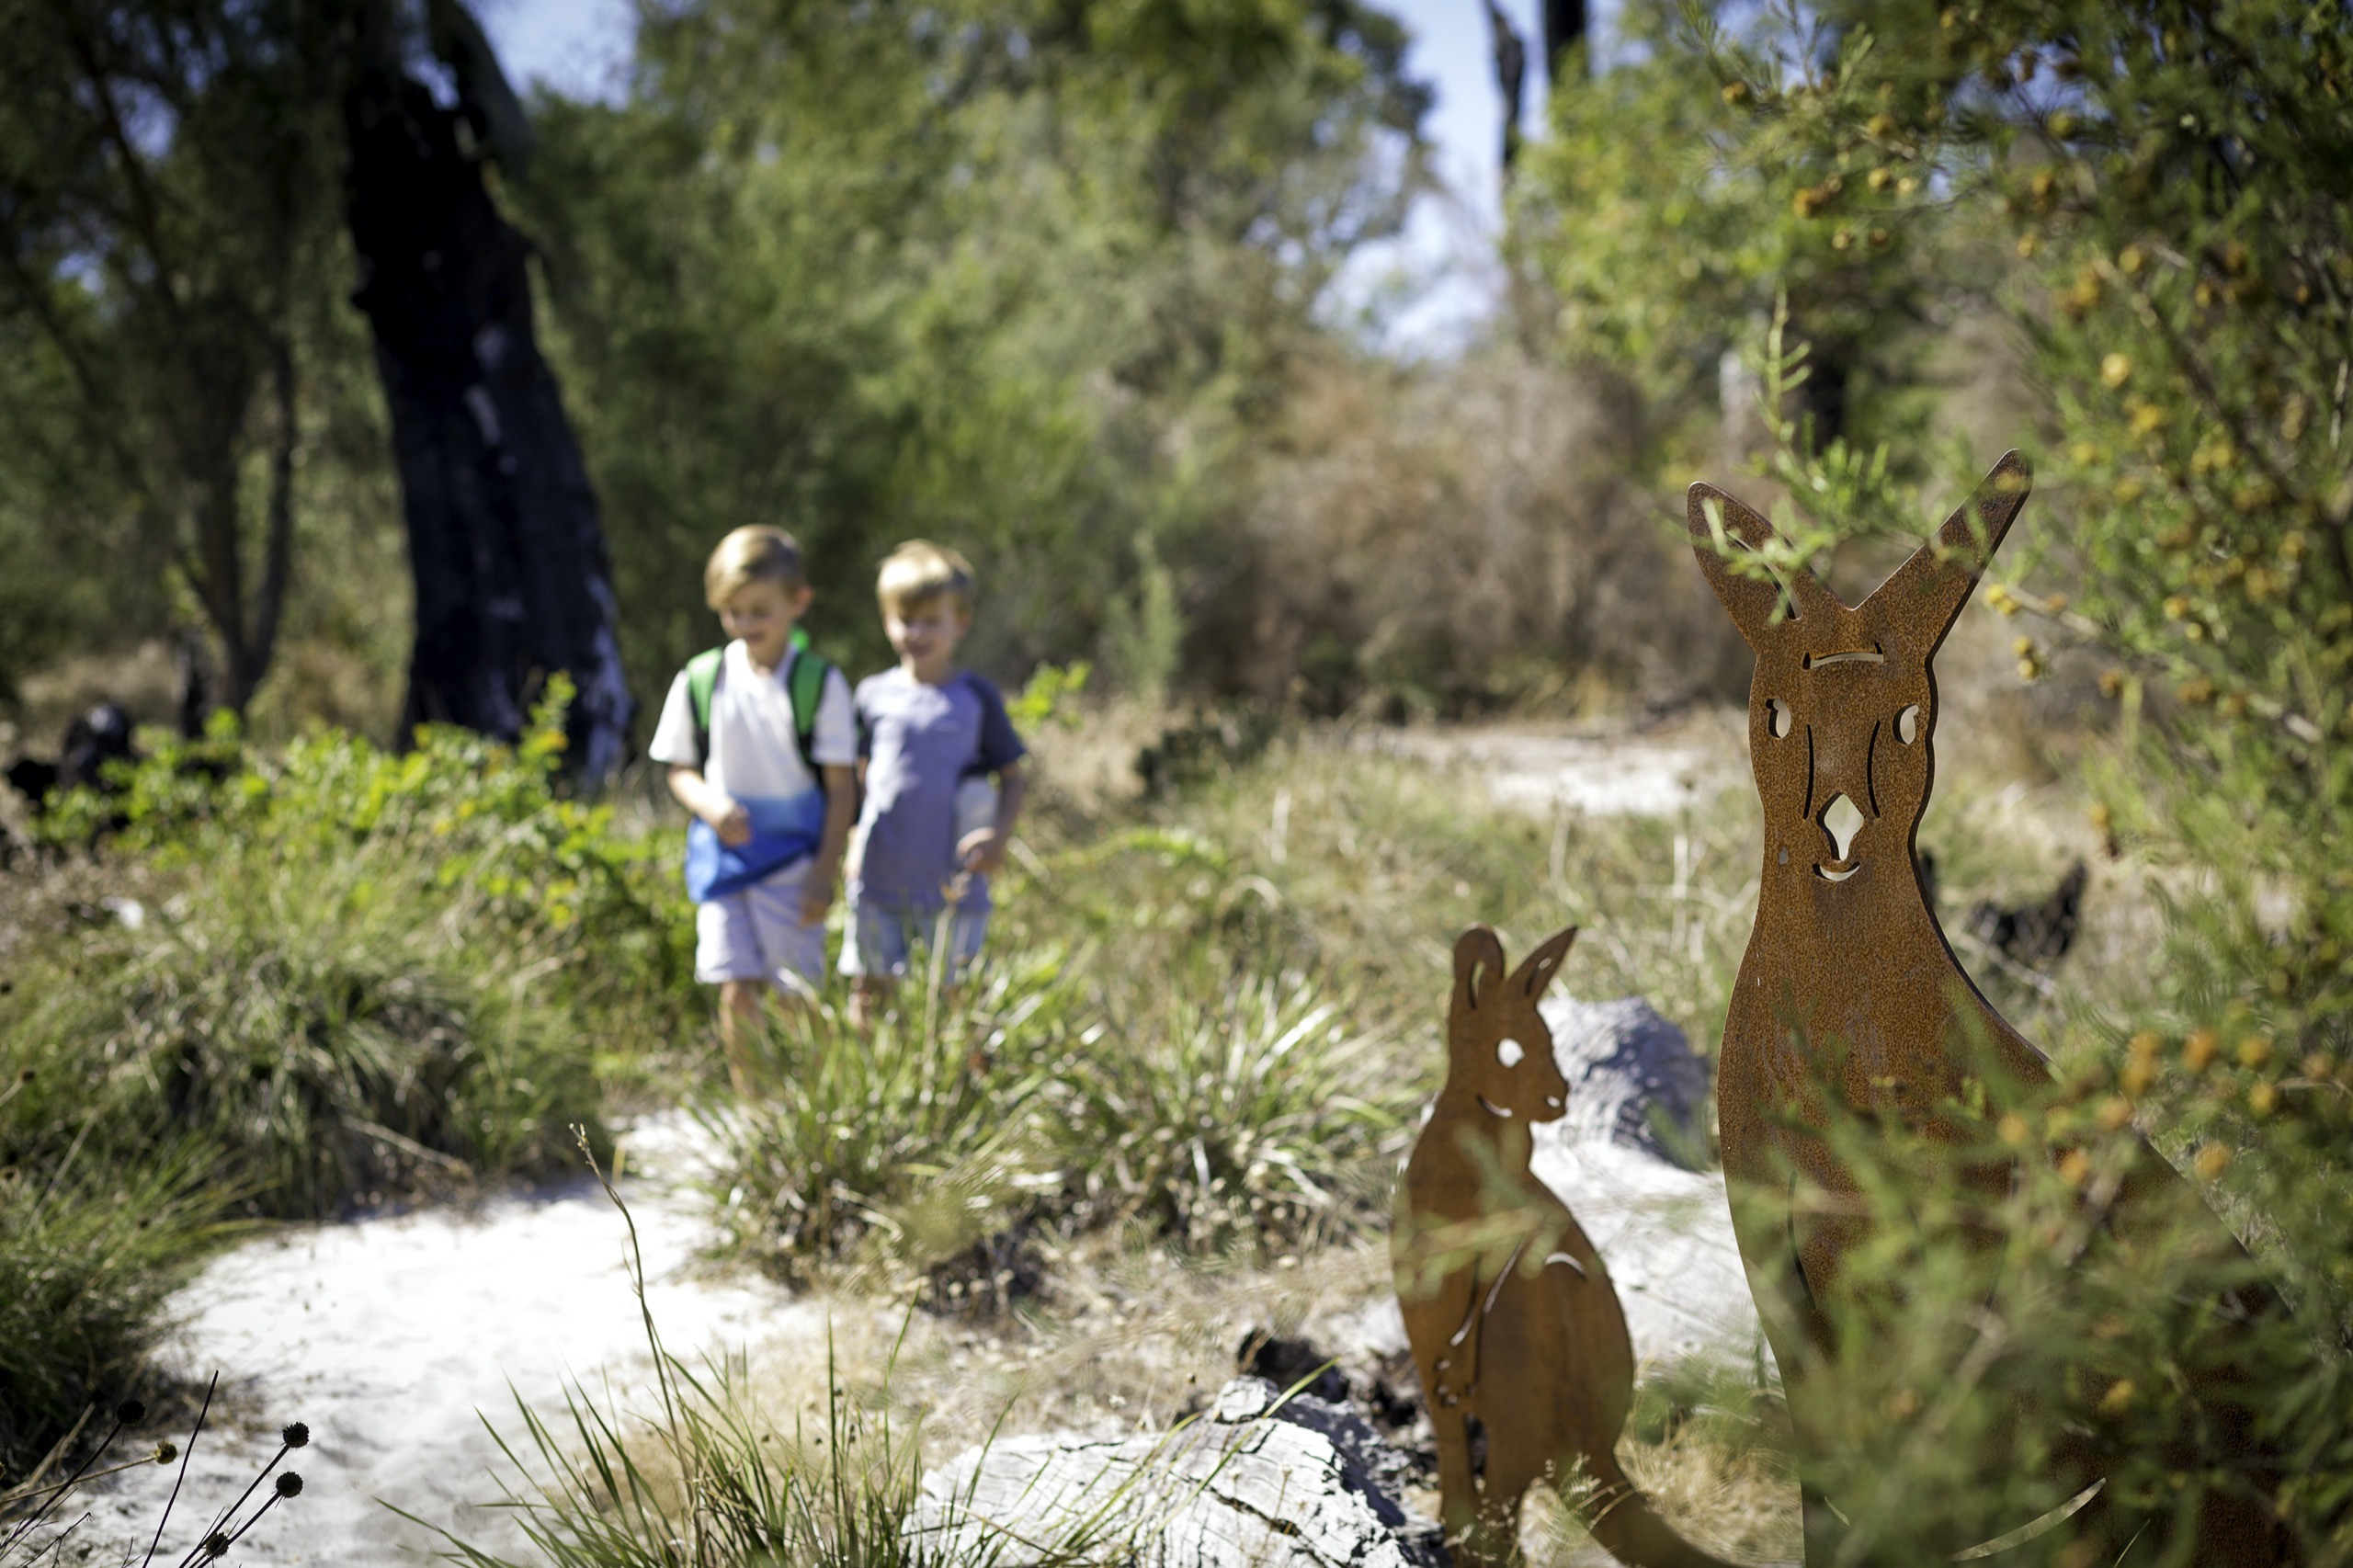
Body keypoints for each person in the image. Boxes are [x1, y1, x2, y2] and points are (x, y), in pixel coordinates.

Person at [649, 526, 858, 1094]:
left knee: (797, 998)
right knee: (736, 991)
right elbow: (679, 769)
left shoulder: (819, 684)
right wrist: (711, 805)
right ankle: (755, 1108)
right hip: (723, 864)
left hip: (794, 865)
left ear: (798, 601)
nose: (745, 623)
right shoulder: (701, 679)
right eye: (732, 611)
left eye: (760, 610)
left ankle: (822, 1103)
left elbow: (842, 788)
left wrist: (823, 874)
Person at [843, 540, 1029, 1028]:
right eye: (905, 620)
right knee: (869, 987)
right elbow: (858, 778)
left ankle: (963, 1074)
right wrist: (854, 841)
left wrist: (998, 839)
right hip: (881, 873)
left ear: (960, 623)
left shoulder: (975, 697)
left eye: (931, 620)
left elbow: (1013, 776)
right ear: (886, 621)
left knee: (959, 995)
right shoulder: (871, 695)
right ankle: (871, 1071)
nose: (917, 632)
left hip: (954, 879)